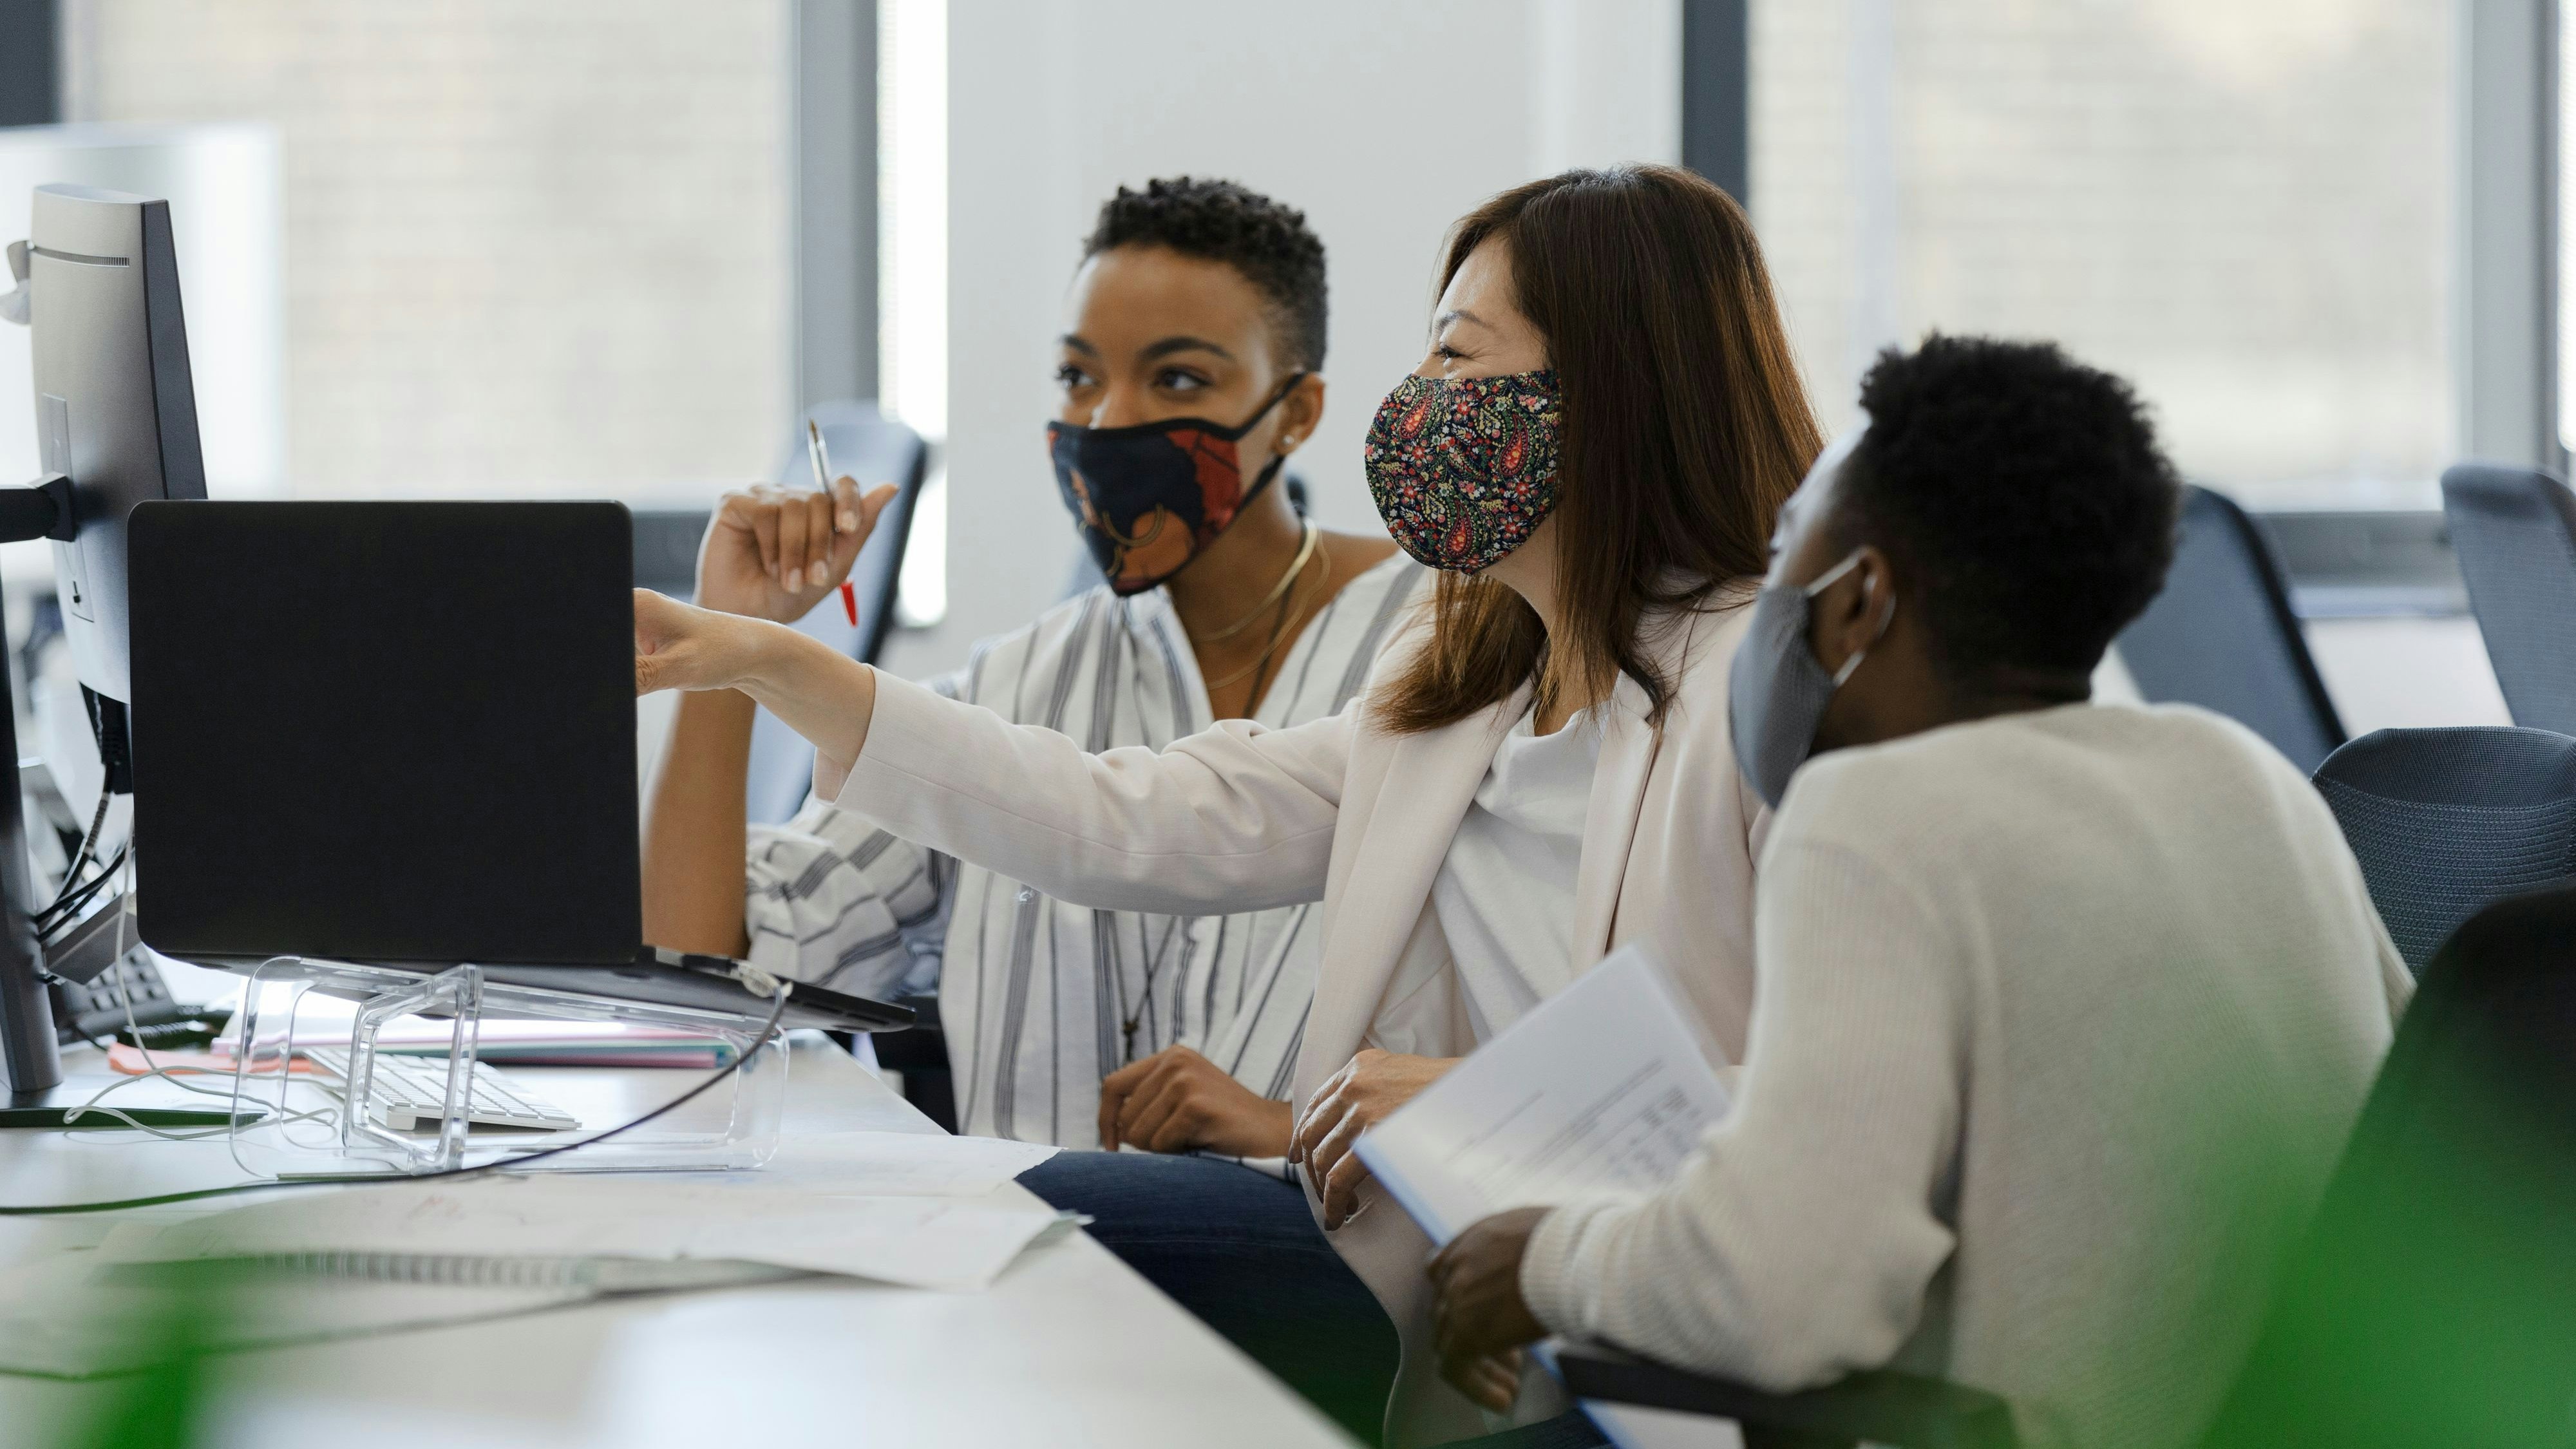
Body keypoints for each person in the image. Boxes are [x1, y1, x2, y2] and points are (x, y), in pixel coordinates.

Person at [630, 164, 1823, 1445]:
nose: (1418, 400)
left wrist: (1489, 1109)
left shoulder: (1772, 693)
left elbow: (1855, 1112)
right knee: (982, 1226)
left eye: (1457, 356)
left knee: (1039, 1232)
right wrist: (766, 659)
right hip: (1459, 1305)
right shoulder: (1454, 690)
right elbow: (1120, 817)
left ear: (1614, 395)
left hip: (1668, 1333)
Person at [1425, 336, 2413, 1449]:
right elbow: (2418, 1151)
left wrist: (1540, 1261)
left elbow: (1784, 1291)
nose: (1766, 594)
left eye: (1785, 546)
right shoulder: (2250, 778)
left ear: (1860, 599)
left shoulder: (1878, 816)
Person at [638, 178, 1417, 1439]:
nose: (1108, 422)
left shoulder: (1439, 657)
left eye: (1176, 380)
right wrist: (730, 648)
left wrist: (1288, 1126)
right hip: (1009, 1346)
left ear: (1299, 409)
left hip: (1314, 1320)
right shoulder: (1024, 682)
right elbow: (702, 969)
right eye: (1076, 379)